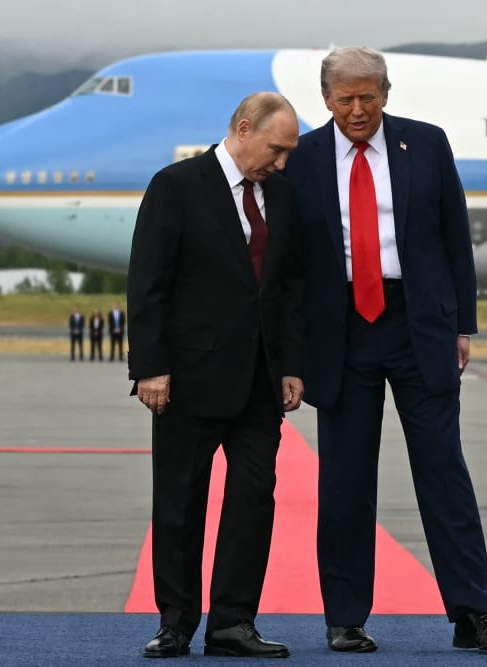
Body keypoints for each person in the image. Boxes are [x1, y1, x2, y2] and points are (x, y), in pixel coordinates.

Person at [283, 47, 487, 654]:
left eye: (369, 96)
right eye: (345, 99)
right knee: (344, 481)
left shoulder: (428, 144)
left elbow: (453, 238)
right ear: (326, 100)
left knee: (444, 472)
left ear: (386, 92)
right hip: (340, 333)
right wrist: (290, 351)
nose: (358, 110)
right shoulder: (303, 159)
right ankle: (345, 618)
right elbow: (290, 265)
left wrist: (462, 324)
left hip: (419, 327)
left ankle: (474, 614)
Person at [127, 92, 304, 659]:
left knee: (254, 500)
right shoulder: (177, 186)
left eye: (288, 154)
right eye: (275, 150)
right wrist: (150, 366)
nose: (280, 163)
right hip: (187, 378)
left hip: (260, 380)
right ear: (244, 129)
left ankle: (233, 623)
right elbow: (148, 283)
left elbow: (289, 289)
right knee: (180, 502)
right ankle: (176, 623)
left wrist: (292, 365)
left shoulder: (282, 193)